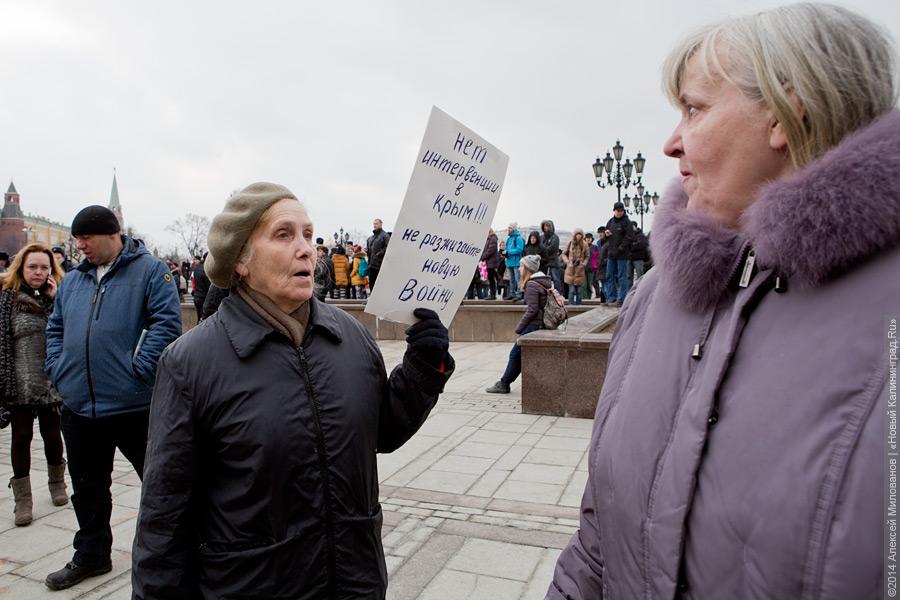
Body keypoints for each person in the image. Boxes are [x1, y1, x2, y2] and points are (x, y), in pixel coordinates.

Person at [549, 5, 899, 599]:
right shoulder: (657, 296)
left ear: (789, 111)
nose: (670, 142)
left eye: (694, 108)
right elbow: (598, 541)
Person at [131, 182, 454, 599]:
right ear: (241, 260)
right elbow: (164, 516)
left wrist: (424, 366)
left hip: (354, 583)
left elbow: (384, 432)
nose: (305, 248)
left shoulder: (350, 336)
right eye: (283, 235)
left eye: (307, 234)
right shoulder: (190, 362)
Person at [44, 205, 182, 591]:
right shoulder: (73, 280)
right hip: (79, 406)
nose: (80, 246)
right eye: (77, 239)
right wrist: (58, 367)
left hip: (134, 405)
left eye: (86, 238)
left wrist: (137, 369)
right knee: (87, 488)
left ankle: (171, 557)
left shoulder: (150, 272)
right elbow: (55, 327)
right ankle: (91, 555)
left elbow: (166, 324)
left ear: (111, 234)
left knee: (159, 487)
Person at [1, 244, 68, 527]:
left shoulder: (61, 297)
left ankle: (57, 483)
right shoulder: (6, 299)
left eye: (44, 267)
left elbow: (67, 332)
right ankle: (23, 500)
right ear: (21, 268)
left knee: (53, 436)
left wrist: (54, 300)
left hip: (51, 382)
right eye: (33, 267)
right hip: (19, 383)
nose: (39, 272)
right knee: (22, 438)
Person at [485, 254, 547, 394]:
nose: (519, 269)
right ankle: (505, 382)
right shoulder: (544, 281)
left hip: (534, 324)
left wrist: (519, 328)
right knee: (518, 354)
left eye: (521, 266)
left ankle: (504, 384)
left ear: (527, 269)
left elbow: (532, 310)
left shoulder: (532, 284)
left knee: (515, 353)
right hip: (541, 323)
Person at [604, 201, 634, 306]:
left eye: (621, 211)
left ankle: (621, 299)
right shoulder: (610, 222)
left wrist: (621, 247)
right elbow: (606, 234)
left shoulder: (626, 222)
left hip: (622, 254)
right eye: (618, 211)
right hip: (611, 253)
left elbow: (630, 237)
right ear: (614, 211)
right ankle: (611, 298)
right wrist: (606, 234)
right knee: (609, 275)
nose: (620, 213)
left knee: (622, 276)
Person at [563, 228, 589, 305]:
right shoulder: (570, 243)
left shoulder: (585, 244)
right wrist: (568, 262)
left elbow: (587, 256)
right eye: (577, 234)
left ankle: (579, 306)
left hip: (580, 270)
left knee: (579, 291)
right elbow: (563, 254)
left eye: (580, 234)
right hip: (570, 270)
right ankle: (570, 306)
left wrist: (583, 264)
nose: (578, 236)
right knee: (571, 291)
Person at [366, 218, 390, 292]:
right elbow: (369, 250)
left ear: (381, 224)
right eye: (374, 224)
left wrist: (379, 254)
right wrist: (367, 251)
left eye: (376, 223)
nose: (374, 225)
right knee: (371, 283)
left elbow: (388, 247)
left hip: (380, 264)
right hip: (371, 264)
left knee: (379, 283)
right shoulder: (370, 238)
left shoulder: (385, 236)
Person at [539, 220, 562, 292]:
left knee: (556, 279)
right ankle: (544, 294)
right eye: (545, 226)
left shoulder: (555, 237)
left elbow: (552, 248)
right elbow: (539, 247)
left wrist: (543, 250)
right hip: (543, 261)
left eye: (548, 226)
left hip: (553, 261)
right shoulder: (541, 237)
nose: (546, 227)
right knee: (542, 279)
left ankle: (558, 294)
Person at [503, 222, 525, 300]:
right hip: (509, 262)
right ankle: (512, 294)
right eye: (508, 228)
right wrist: (504, 251)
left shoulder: (519, 238)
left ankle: (519, 294)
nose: (508, 229)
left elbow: (519, 250)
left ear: (514, 229)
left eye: (510, 228)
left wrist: (508, 252)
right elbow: (506, 248)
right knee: (511, 279)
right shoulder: (509, 239)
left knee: (518, 279)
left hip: (516, 262)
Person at [479, 227, 501, 300]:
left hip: (492, 262)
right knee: (491, 278)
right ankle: (492, 294)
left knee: (491, 279)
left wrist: (482, 257)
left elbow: (490, 250)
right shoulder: (489, 238)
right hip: (489, 261)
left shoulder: (493, 238)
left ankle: (492, 295)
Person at [190, 254, 211, 321]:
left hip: (197, 296)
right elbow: (208, 286)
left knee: (199, 318)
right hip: (204, 298)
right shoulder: (204, 269)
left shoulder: (196, 269)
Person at [581, 232, 599, 300]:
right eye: (587, 238)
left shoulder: (595, 247)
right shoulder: (581, 247)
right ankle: (585, 298)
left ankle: (588, 298)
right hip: (582, 268)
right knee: (583, 285)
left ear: (592, 239)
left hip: (592, 268)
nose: (588, 239)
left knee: (589, 284)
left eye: (590, 238)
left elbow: (597, 257)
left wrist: (595, 265)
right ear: (584, 239)